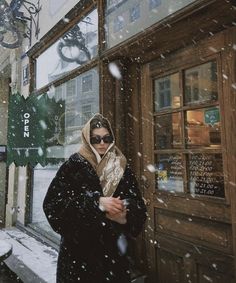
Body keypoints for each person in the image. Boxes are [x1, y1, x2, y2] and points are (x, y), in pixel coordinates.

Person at [43, 113, 147, 283]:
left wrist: (126, 216)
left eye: (106, 138)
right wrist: (95, 203)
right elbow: (52, 206)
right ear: (87, 139)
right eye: (95, 139)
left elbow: (138, 206)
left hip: (114, 257)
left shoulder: (121, 167)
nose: (102, 143)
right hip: (78, 259)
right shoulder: (73, 166)